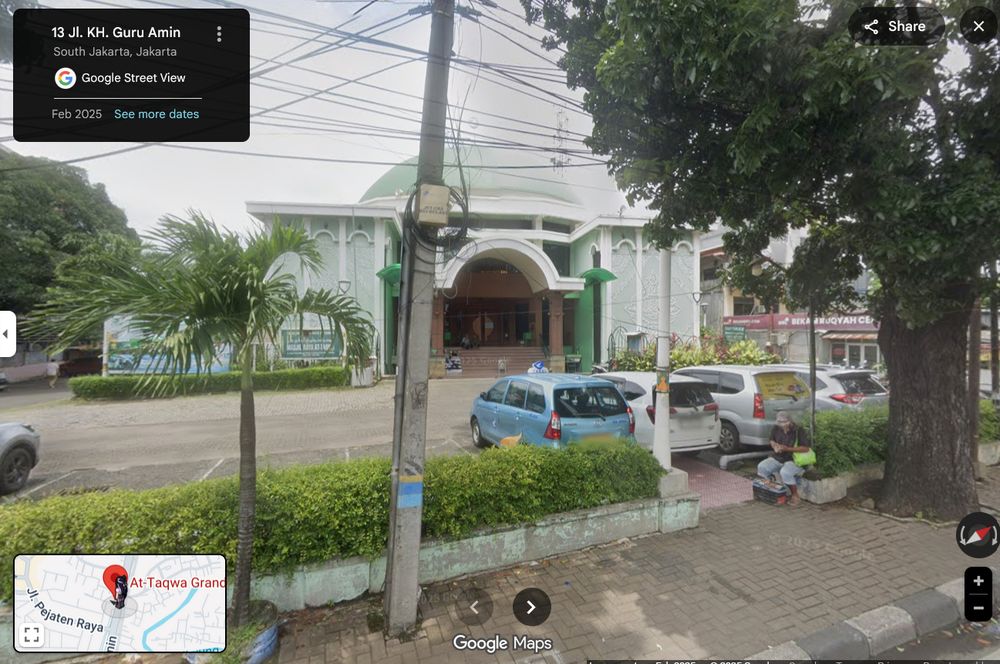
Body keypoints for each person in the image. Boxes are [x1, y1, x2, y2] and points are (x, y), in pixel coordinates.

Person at [756, 411, 812, 505]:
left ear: (790, 421)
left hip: (795, 459)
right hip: (779, 457)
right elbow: (771, 440)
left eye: (784, 422)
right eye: (779, 422)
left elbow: (806, 448)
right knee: (762, 467)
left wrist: (787, 449)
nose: (782, 424)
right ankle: (772, 490)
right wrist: (775, 446)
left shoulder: (798, 430)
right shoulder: (776, 428)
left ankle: (795, 495)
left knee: (785, 472)